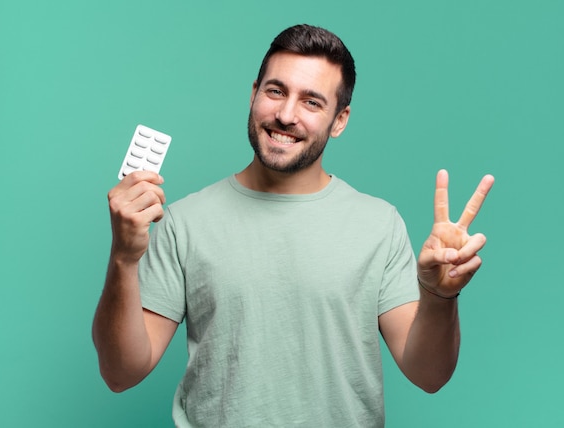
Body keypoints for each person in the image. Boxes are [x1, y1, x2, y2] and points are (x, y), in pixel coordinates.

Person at [92, 24, 495, 427]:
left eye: (312, 102)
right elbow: (121, 372)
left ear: (339, 120)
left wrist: (441, 298)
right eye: (276, 91)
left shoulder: (378, 224)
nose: (286, 115)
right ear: (253, 94)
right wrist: (124, 258)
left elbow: (429, 375)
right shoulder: (186, 222)